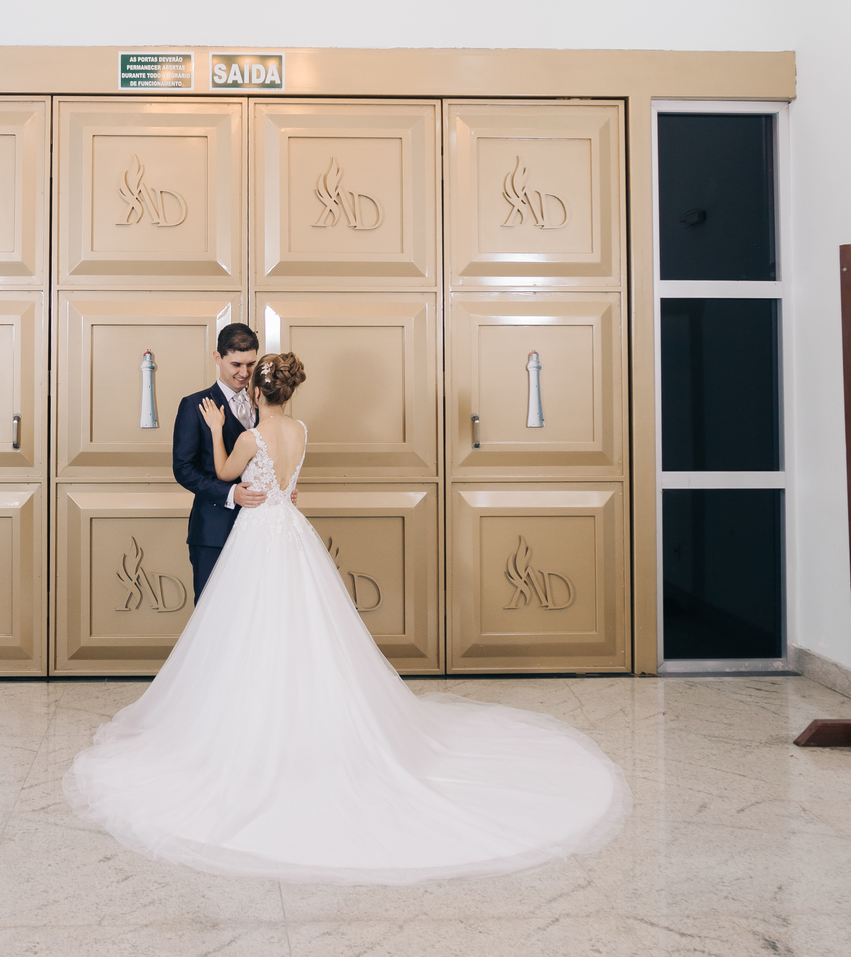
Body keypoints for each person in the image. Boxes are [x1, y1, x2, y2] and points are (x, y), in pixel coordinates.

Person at [66, 352, 632, 885]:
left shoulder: (252, 435)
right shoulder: (301, 431)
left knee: (250, 629)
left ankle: (257, 724)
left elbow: (223, 471)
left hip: (258, 533)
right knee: (304, 627)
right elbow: (291, 484)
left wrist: (218, 431)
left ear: (258, 390)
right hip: (291, 530)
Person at [170, 321, 267, 602]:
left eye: (250, 364)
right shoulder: (194, 405)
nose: (244, 373)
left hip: (260, 529)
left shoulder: (264, 404)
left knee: (255, 611)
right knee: (211, 613)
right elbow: (183, 469)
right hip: (213, 532)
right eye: (236, 364)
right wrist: (230, 493)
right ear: (217, 357)